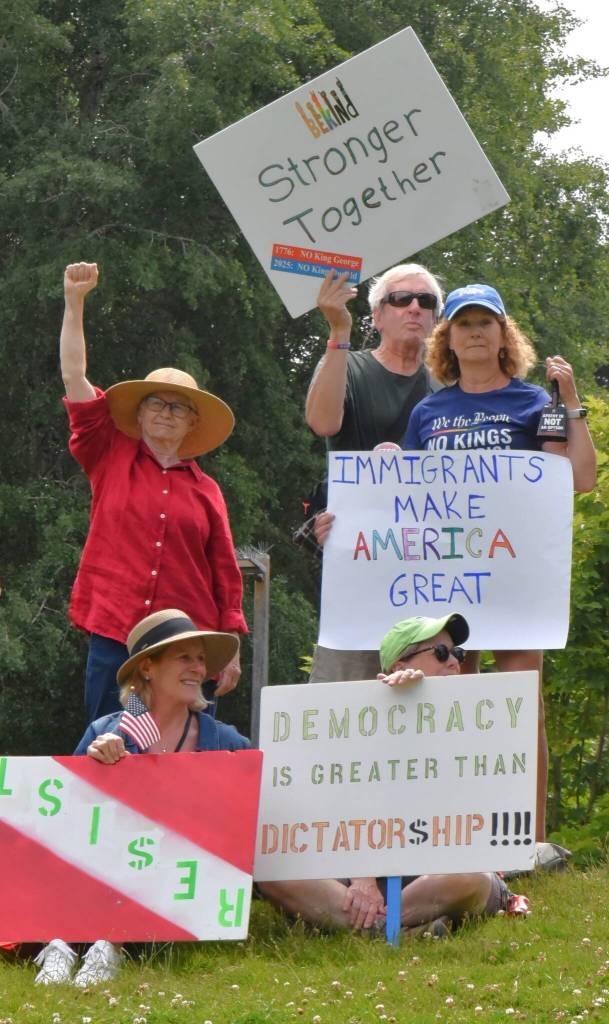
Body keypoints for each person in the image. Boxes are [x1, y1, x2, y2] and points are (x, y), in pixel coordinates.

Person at [403, 283, 597, 840]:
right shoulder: (428, 410)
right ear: (449, 340)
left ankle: (526, 840)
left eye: (486, 322)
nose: (475, 332)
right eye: (464, 324)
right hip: (444, 583)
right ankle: (450, 834)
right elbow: (406, 499)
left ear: (504, 335)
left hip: (514, 580)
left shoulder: (536, 402)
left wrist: (572, 399)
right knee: (447, 707)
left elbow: (579, 479)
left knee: (516, 707)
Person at [258, 613, 525, 936]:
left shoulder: (481, 717)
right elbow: (337, 806)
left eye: (458, 653)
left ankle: (369, 928)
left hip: (438, 872)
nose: (454, 662)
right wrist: (362, 877)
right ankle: (400, 929)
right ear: (399, 668)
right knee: (270, 870)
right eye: (440, 653)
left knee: (470, 878)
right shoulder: (353, 726)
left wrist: (427, 712)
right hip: (356, 869)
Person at [60, 262, 247, 722]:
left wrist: (232, 649)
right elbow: (73, 378)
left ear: (191, 423)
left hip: (189, 646)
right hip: (116, 634)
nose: (166, 413)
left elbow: (225, 573)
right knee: (112, 750)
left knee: (185, 760)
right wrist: (74, 301)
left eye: (179, 407)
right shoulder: (109, 455)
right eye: (156, 404)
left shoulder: (206, 491)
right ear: (138, 415)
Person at [33, 609, 250, 986]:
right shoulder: (106, 729)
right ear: (147, 668)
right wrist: (96, 766)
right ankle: (61, 943)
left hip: (182, 880)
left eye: (201, 659)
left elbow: (245, 818)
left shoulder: (227, 742)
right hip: (106, 871)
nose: (199, 669)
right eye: (185, 657)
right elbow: (66, 819)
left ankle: (110, 946)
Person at [305, 263, 442, 682]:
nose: (414, 308)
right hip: (360, 560)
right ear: (378, 315)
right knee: (343, 695)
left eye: (426, 301)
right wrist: (338, 333)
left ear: (437, 317)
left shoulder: (449, 385)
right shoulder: (352, 366)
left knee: (424, 695)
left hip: (431, 564)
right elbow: (323, 423)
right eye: (400, 299)